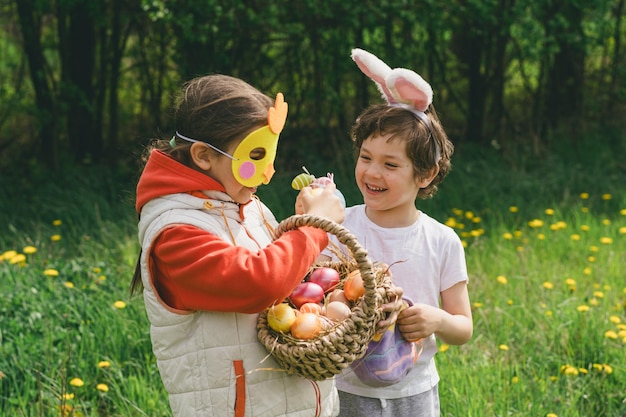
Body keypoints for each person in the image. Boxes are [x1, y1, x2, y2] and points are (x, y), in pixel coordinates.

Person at [130, 74, 346, 417]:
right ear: (203, 156)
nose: (267, 173)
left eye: (271, 155)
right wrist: (312, 228)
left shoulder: (248, 206)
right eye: (256, 155)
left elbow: (289, 281)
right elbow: (258, 282)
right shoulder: (175, 232)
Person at [332, 49, 473, 417]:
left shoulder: (441, 240)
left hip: (414, 394)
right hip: (342, 389)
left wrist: (437, 320)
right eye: (366, 157)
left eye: (390, 164)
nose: (372, 173)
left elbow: (463, 327)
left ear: (425, 175)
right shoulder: (340, 226)